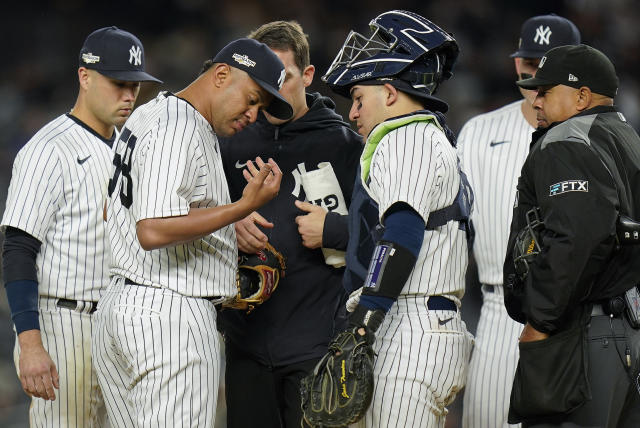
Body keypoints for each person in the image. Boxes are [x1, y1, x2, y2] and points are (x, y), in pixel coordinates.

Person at [91, 38, 292, 428]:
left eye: (261, 108)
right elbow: (152, 229)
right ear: (221, 74)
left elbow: (118, 209)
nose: (253, 114)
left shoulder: (150, 114)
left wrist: (225, 221)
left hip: (120, 309)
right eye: (251, 99)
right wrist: (241, 207)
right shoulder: (181, 127)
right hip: (169, 316)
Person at [0, 26, 161, 427]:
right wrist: (30, 344)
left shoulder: (130, 145)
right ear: (85, 77)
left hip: (119, 327)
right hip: (63, 325)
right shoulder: (47, 149)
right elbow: (18, 249)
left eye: (135, 86)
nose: (128, 95)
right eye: (118, 83)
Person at [322, 10, 474, 427]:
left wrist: (362, 324)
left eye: (358, 98)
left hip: (410, 329)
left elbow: (403, 234)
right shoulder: (431, 135)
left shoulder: (405, 137)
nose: (352, 114)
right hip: (426, 322)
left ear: (389, 93)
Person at [217, 21, 362, 428]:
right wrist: (228, 222)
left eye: (286, 76)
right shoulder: (231, 140)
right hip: (245, 344)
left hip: (317, 347)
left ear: (309, 75)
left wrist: (333, 229)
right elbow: (192, 217)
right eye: (265, 78)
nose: (275, 89)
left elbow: (384, 237)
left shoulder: (345, 146)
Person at [504, 44, 640, 427]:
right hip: (627, 326)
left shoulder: (567, 139)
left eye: (546, 91)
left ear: (581, 96)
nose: (536, 101)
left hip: (585, 332)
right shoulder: (626, 136)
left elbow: (578, 237)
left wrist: (542, 321)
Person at [456, 14, 581, 428]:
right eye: (530, 69)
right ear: (516, 66)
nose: (537, 84)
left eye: (550, 71)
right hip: (497, 311)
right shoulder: (478, 132)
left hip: (576, 318)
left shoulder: (598, 138)